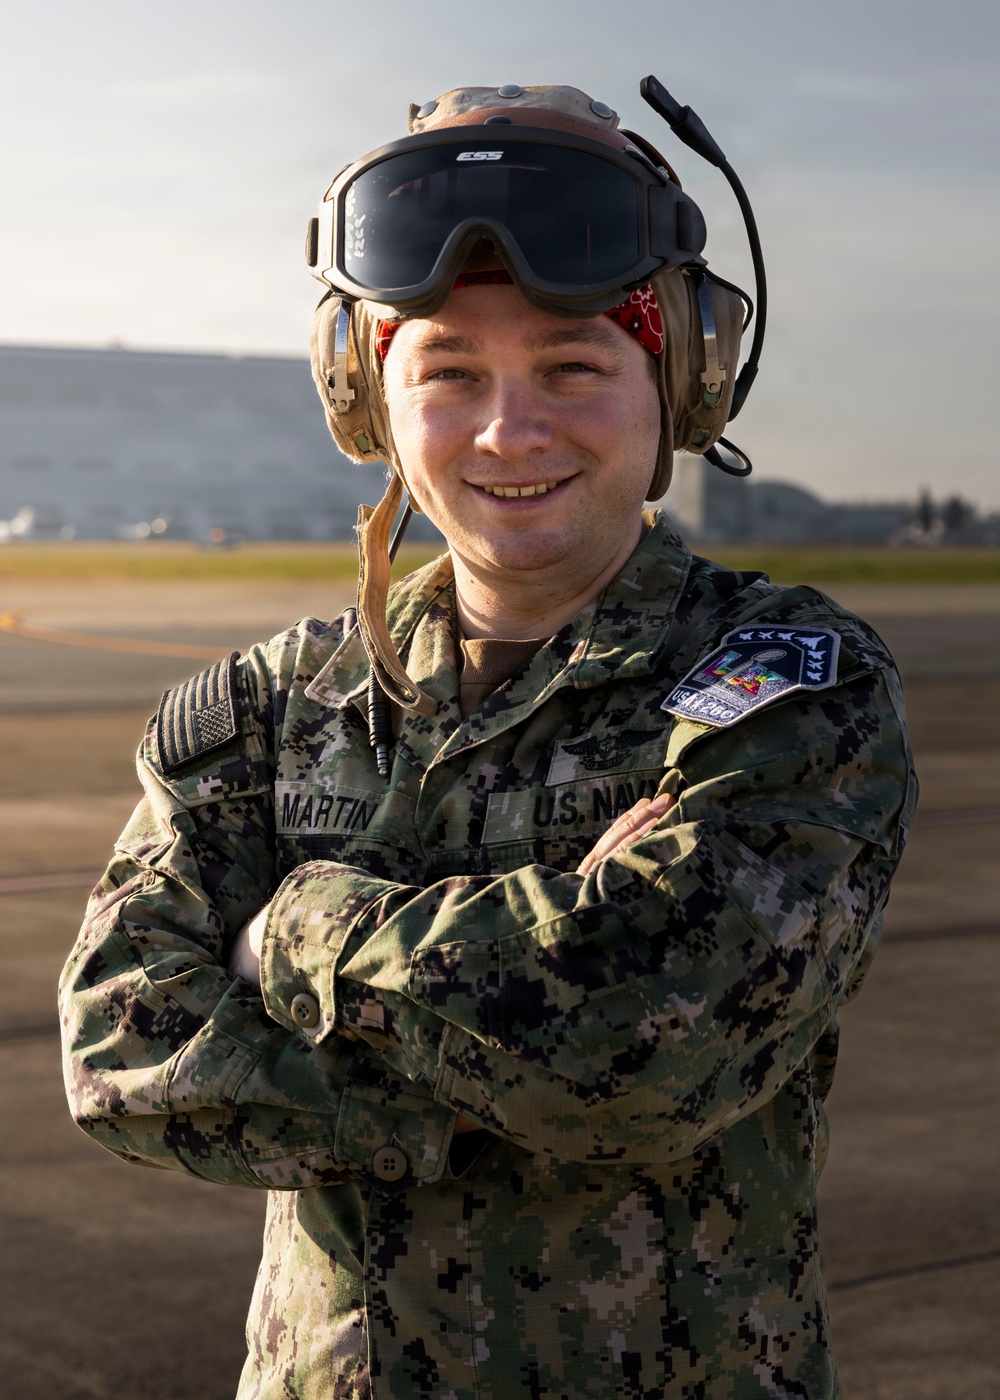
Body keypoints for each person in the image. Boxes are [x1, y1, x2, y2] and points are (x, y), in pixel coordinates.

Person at [60, 81, 915, 1399]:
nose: (511, 434)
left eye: (573, 367)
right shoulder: (268, 709)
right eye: (449, 374)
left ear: (680, 376)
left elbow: (645, 1047)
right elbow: (120, 1045)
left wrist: (294, 932)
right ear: (367, 396)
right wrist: (537, 989)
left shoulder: (789, 688)